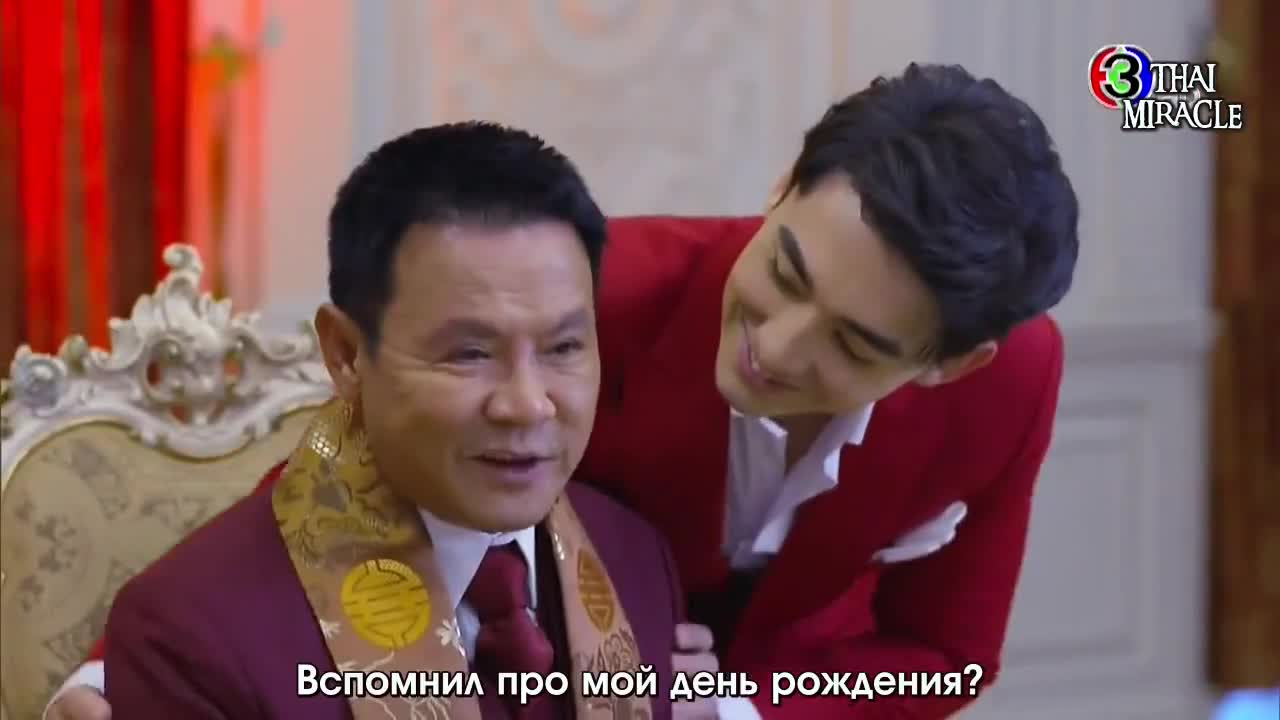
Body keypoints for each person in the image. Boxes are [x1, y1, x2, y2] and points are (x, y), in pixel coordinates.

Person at [48, 62, 1077, 720]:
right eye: (786, 272)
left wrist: (736, 709)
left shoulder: (1008, 386)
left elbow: (944, 655)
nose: (774, 346)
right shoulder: (585, 300)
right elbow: (356, 449)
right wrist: (116, 673)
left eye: (852, 343)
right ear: (781, 189)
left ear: (948, 363)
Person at [97, 122, 683, 719]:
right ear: (347, 354)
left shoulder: (634, 559)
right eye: (470, 354)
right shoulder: (193, 637)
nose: (528, 404)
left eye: (564, 348)